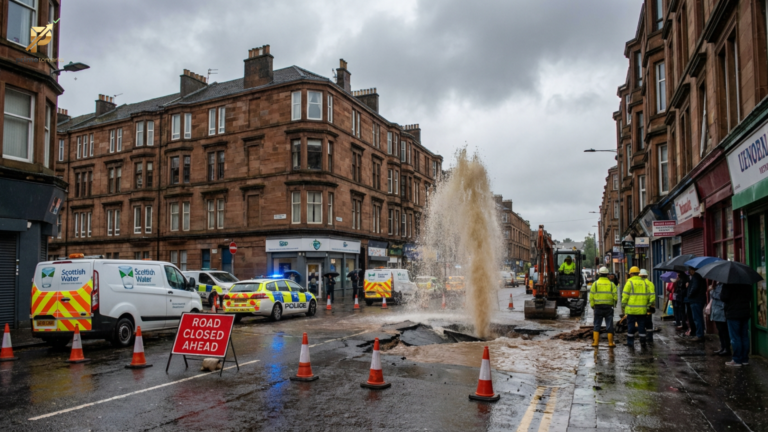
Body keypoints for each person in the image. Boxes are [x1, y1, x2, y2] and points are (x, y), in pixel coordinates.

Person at [621, 266, 655, 348]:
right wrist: (648, 305)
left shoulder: (629, 283)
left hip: (631, 310)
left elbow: (625, 296)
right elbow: (649, 296)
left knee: (631, 326)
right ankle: (643, 342)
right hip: (642, 310)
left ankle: (630, 343)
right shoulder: (644, 283)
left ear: (631, 274)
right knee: (641, 326)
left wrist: (623, 305)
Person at [721, 283, 753, 367]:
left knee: (735, 337)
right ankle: (745, 359)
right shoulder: (747, 284)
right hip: (745, 313)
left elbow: (723, 297)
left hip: (733, 313)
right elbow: (750, 297)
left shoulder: (728, 284)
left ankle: (737, 359)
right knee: (744, 336)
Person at [590, 267, 618, 348]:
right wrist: (614, 304)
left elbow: (591, 297)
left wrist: (593, 306)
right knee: (609, 325)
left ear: (599, 274)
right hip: (608, 307)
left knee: (597, 324)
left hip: (598, 307)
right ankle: (610, 343)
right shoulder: (611, 284)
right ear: (607, 275)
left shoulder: (595, 284)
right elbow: (615, 297)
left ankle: (595, 343)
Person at [708, 282, 730, 356]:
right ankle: (722, 347)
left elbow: (720, 296)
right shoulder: (717, 285)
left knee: (724, 331)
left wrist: (712, 290)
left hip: (721, 310)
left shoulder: (723, 285)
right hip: (716, 310)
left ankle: (727, 348)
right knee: (720, 330)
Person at [686, 266, 707, 342]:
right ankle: (700, 334)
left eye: (690, 270)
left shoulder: (696, 276)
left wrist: (689, 295)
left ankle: (699, 335)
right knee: (699, 318)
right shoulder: (700, 276)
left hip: (696, 300)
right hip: (699, 299)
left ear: (692, 270)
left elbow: (695, 288)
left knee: (697, 318)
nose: (689, 271)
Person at [639, 269, 656, 343]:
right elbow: (652, 296)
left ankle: (642, 339)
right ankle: (650, 338)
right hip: (648, 307)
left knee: (641, 322)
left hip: (640, 307)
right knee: (649, 323)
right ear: (647, 275)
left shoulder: (638, 284)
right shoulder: (650, 283)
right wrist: (649, 305)